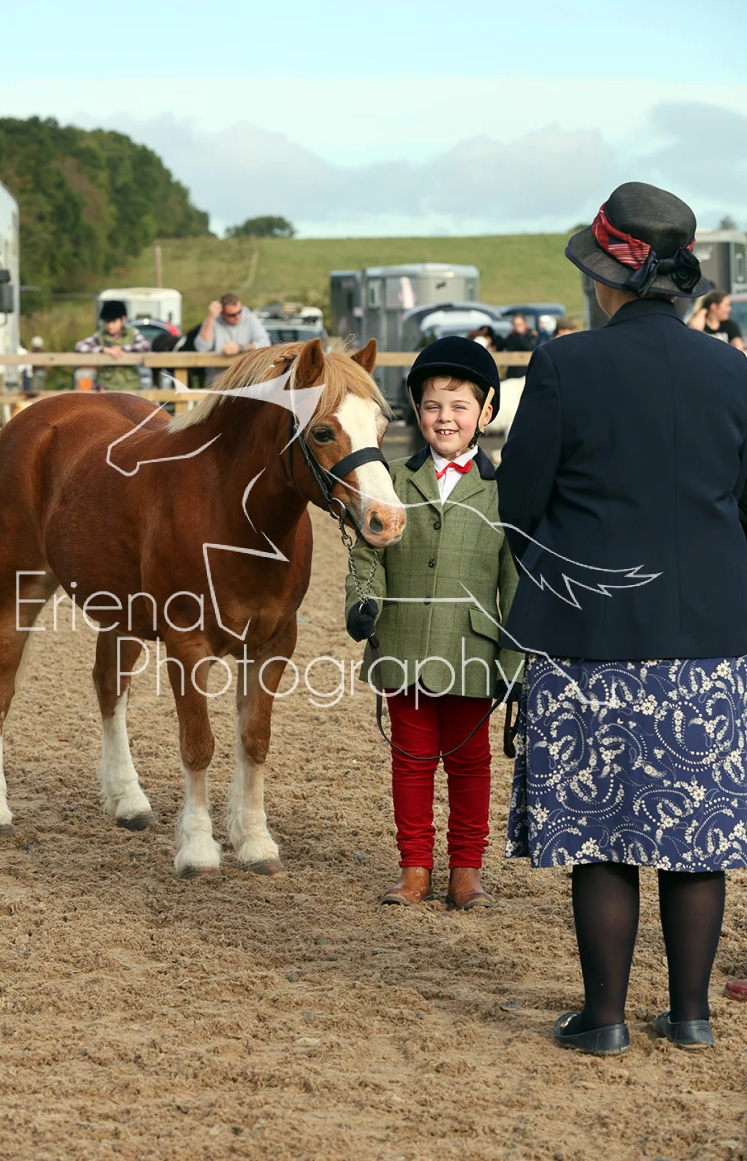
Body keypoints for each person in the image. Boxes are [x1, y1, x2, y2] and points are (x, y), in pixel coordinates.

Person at [498, 181, 747, 1056]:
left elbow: (518, 503)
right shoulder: (734, 370)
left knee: (601, 839)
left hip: (588, 636)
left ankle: (602, 1019)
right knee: (695, 837)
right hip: (709, 636)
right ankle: (690, 1015)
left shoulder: (563, 365)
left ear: (607, 279)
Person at [344, 337, 523, 910]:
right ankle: (414, 867)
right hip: (402, 645)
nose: (445, 418)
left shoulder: (504, 491)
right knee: (412, 760)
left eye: (459, 406)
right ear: (416, 411)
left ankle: (466, 871)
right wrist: (363, 603)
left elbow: (514, 582)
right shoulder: (390, 478)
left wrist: (515, 660)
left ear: (485, 413)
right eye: (432, 406)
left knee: (470, 764)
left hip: (473, 649)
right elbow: (367, 556)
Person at [194, 293, 271, 384]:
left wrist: (239, 348)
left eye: (239, 312)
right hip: (219, 382)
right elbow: (201, 347)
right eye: (232, 315)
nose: (237, 316)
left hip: (245, 380)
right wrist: (210, 319)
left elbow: (265, 343)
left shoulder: (250, 317)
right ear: (222, 313)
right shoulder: (213, 319)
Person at [75, 300, 150, 390]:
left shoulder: (132, 332)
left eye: (113, 321)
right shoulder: (101, 335)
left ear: (122, 320)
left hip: (130, 385)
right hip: (107, 385)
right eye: (107, 322)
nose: (110, 325)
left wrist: (122, 348)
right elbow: (79, 346)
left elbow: (146, 346)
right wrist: (104, 349)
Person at [503, 313, 536, 379]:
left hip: (526, 374)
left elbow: (529, 347)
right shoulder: (511, 337)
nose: (517, 327)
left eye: (519, 325)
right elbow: (502, 346)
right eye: (515, 325)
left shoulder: (531, 335)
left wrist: (520, 335)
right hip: (512, 374)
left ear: (525, 324)